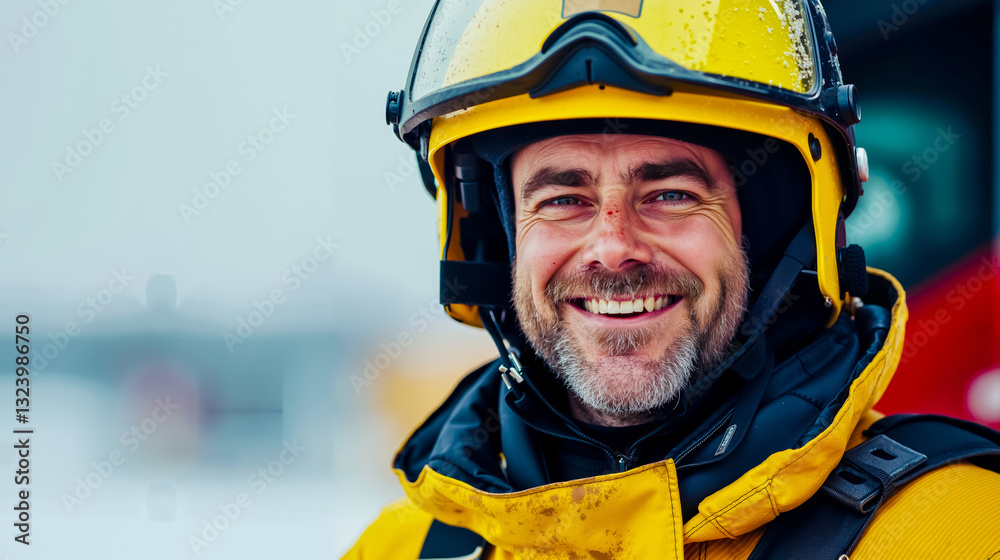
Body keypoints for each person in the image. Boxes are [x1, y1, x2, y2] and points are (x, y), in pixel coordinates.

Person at [346, 1, 1000, 558]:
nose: (612, 249)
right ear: (498, 239)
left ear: (774, 232)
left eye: (670, 194)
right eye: (562, 199)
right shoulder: (401, 550)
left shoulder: (960, 531)